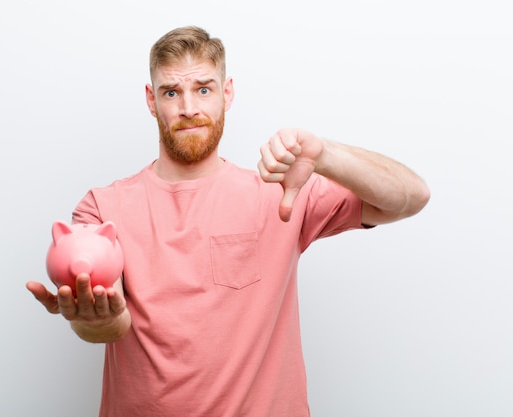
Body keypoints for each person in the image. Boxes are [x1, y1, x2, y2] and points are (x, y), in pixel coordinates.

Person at [26, 26, 430, 417]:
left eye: (203, 88)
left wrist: (325, 154)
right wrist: (95, 318)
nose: (188, 108)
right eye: (172, 92)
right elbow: (109, 325)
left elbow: (409, 197)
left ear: (227, 92)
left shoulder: (280, 192)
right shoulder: (102, 207)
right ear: (152, 100)